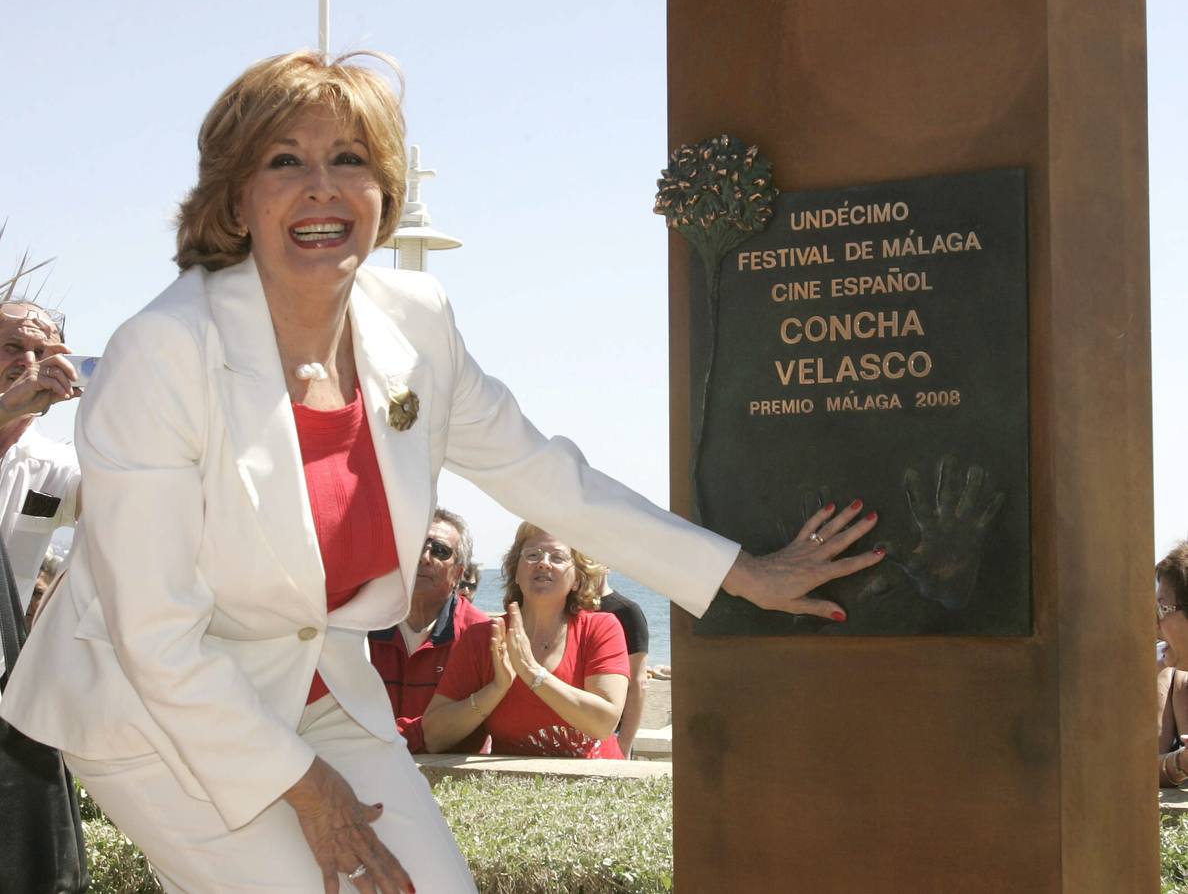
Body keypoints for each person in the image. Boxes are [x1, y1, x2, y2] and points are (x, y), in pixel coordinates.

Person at [0, 50, 884, 893]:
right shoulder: (165, 351)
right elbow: (156, 635)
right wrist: (309, 791)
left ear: (384, 194)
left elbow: (545, 475)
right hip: (158, 710)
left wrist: (742, 575)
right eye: (284, 161)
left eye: (350, 158)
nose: (322, 187)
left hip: (323, 694)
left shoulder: (415, 323)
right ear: (236, 203)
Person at [422, 524, 628, 758]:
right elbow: (434, 737)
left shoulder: (601, 628)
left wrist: (532, 673)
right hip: (513, 786)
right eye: (532, 555)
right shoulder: (482, 637)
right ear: (516, 573)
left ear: (577, 580)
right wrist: (496, 689)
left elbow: (603, 724)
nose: (543, 563)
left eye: (558, 557)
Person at [368, 508, 487, 753]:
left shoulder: (479, 633)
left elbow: (468, 729)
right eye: (416, 546)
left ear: (458, 573)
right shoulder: (365, 623)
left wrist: (396, 738)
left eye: (440, 551)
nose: (424, 557)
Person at [0, 301, 81, 615]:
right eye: (13, 347)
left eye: (44, 353)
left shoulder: (55, 467)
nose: (29, 363)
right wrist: (7, 408)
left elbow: (117, 503)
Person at [595, 571, 649, 756]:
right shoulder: (568, 606)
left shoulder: (626, 610)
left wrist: (624, 744)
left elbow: (638, 683)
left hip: (613, 732)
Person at [1157, 541, 1188, 786]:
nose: (1154, 626)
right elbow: (1134, 766)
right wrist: (1181, 762)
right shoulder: (1172, 679)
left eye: (1162, 609)